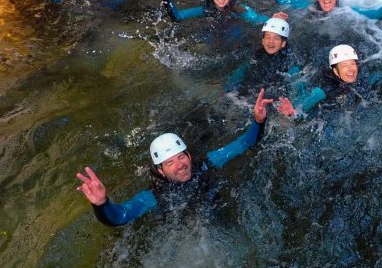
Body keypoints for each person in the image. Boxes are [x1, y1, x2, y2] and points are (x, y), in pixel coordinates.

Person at [76, 89, 273, 227]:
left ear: (189, 155)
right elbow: (120, 217)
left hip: (214, 208)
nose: (180, 166)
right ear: (160, 170)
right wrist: (101, 203)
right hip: (181, 228)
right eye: (170, 162)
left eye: (181, 157)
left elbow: (243, 144)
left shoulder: (206, 163)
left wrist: (258, 121)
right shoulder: (153, 196)